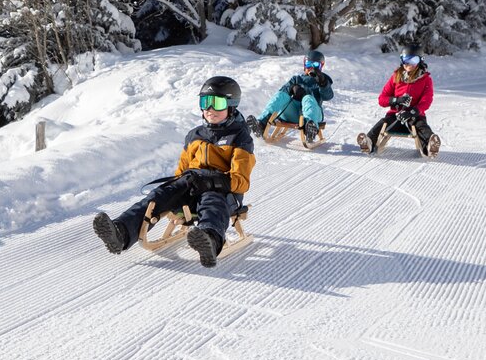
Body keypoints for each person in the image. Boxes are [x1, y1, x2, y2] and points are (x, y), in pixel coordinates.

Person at [91, 76, 256, 268]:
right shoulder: (195, 135)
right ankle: (121, 232)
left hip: (223, 193)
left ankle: (209, 240)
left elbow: (241, 181)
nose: (209, 110)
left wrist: (211, 182)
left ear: (231, 105)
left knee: (212, 202)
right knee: (159, 194)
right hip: (192, 184)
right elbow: (182, 169)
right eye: (205, 102)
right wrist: (179, 184)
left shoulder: (239, 136)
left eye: (217, 103)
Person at [360, 45, 438, 156]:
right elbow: (382, 99)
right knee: (383, 123)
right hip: (395, 116)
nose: (408, 64)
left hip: (414, 115)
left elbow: (426, 101)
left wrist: (412, 112)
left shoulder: (425, 80)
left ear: (420, 61)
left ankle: (430, 147)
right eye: (406, 59)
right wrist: (396, 100)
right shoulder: (396, 77)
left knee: (421, 127)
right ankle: (368, 142)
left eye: (413, 60)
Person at [253, 50, 334, 142]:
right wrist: (291, 88)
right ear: (304, 65)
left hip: (314, 115)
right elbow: (282, 94)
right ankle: (261, 123)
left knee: (308, 98)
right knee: (280, 95)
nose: (311, 67)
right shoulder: (296, 79)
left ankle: (310, 129)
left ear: (321, 66)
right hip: (293, 113)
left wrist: (322, 82)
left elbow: (328, 96)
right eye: (308, 64)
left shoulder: (322, 81)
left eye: (315, 65)